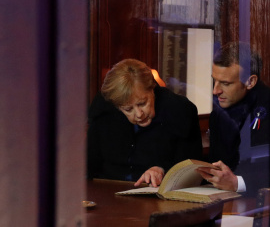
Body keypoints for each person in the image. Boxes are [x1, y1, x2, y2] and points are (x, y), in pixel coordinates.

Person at [196, 42, 270, 196]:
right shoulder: (218, 114)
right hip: (221, 201)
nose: (215, 91)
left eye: (225, 83)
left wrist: (237, 183)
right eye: (214, 80)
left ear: (250, 82)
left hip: (266, 205)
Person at [87, 59, 203, 187]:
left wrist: (162, 170)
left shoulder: (180, 110)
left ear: (152, 89)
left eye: (142, 103)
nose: (139, 114)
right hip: (108, 193)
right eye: (128, 109)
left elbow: (191, 169)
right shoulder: (103, 113)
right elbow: (90, 167)